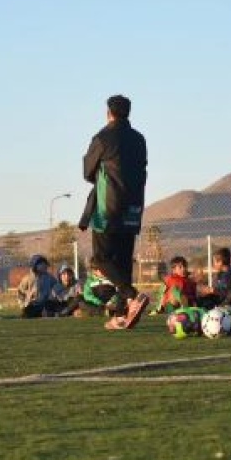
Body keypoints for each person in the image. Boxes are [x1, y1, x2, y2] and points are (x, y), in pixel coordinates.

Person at [78, 94, 151, 330]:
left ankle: (132, 295)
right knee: (122, 262)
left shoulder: (102, 137)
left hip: (107, 206)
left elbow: (88, 172)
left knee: (101, 259)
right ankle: (121, 314)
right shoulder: (139, 139)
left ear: (108, 112)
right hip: (133, 207)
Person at [198, 247, 231, 312]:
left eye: (214, 262)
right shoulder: (221, 274)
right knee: (202, 300)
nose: (213, 264)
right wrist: (209, 291)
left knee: (207, 303)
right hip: (228, 301)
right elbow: (220, 291)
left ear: (220, 262)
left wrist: (213, 291)